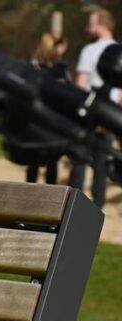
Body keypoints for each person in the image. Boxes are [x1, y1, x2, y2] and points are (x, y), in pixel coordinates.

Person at [72, 8, 117, 208]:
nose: (87, 27)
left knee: (80, 160)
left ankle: (73, 205)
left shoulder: (89, 51)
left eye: (91, 23)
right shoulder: (119, 51)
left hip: (88, 113)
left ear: (101, 25)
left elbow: (81, 84)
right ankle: (97, 208)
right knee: (101, 163)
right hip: (110, 115)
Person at [28, 32, 71, 185]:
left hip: (37, 113)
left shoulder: (34, 64)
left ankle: (31, 190)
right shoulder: (58, 67)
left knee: (35, 158)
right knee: (50, 158)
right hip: (51, 115)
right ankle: (49, 192)